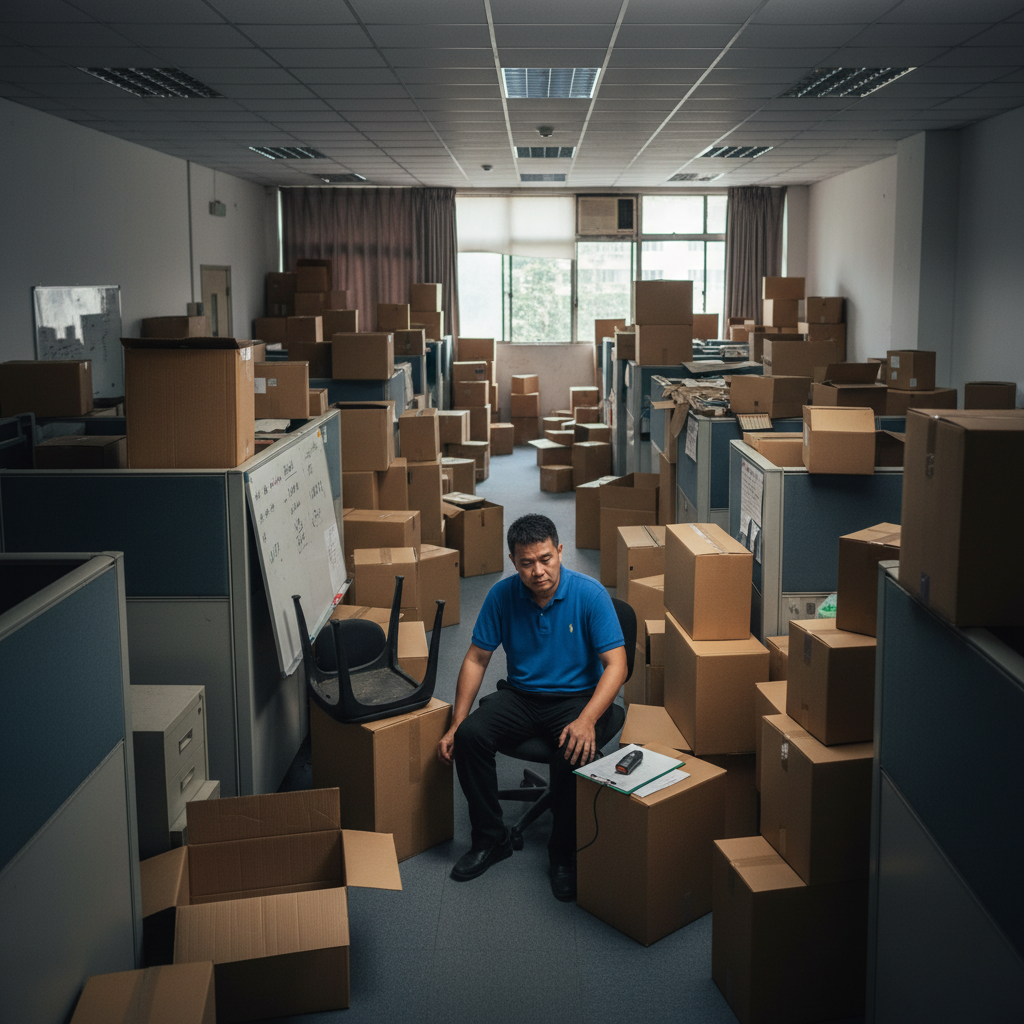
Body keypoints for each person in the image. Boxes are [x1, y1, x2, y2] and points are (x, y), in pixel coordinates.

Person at [437, 513, 627, 901]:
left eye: (545, 559)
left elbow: (617, 665)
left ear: (560, 551)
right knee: (471, 737)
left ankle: (563, 856)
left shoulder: (590, 594)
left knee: (574, 752)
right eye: (527, 563)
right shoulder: (502, 596)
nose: (538, 571)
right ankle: (492, 839)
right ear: (514, 561)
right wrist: (457, 722)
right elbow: (476, 659)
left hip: (577, 697)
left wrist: (588, 719)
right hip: (522, 695)